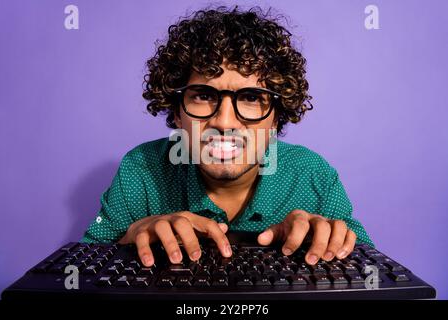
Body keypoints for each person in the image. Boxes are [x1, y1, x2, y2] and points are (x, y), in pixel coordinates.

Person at [82, 6, 373, 268]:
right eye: (204, 95)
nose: (224, 122)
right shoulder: (141, 170)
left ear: (277, 116)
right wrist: (127, 241)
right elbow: (80, 271)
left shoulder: (313, 175)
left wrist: (333, 243)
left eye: (250, 97)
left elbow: (371, 269)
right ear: (175, 112)